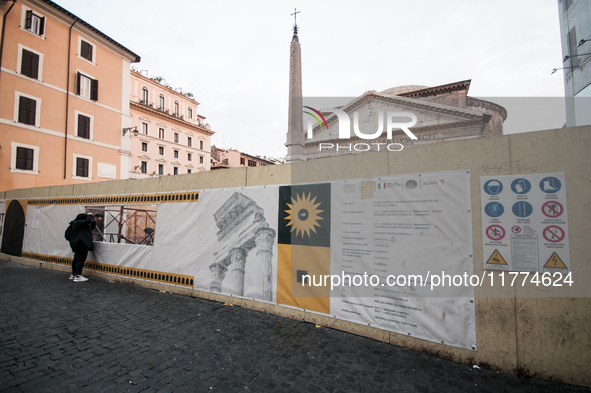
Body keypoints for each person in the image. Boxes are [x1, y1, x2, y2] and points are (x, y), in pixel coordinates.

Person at [68, 213, 96, 282]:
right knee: (80, 260)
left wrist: (94, 221)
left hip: (78, 243)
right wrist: (89, 215)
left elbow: (91, 227)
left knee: (76, 259)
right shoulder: (78, 223)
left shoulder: (78, 225)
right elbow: (87, 222)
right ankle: (78, 275)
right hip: (81, 243)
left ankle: (73, 274)